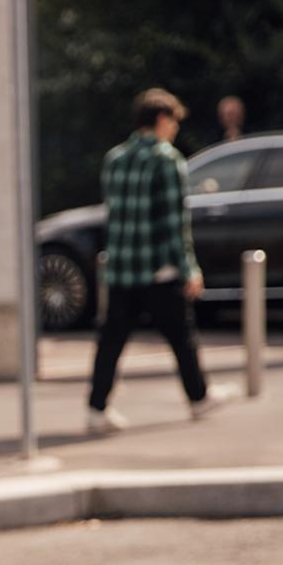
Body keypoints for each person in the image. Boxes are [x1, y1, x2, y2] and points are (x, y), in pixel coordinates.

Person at [87, 88, 223, 433]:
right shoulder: (167, 159)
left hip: (121, 268)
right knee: (181, 337)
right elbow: (175, 223)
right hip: (158, 269)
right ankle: (199, 398)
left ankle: (96, 408)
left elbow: (113, 217)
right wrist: (189, 268)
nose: (174, 130)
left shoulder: (115, 158)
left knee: (111, 341)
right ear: (162, 120)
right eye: (174, 123)